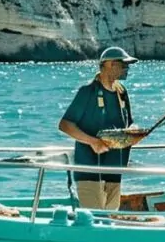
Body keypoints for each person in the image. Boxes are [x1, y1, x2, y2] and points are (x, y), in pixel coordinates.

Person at [59, 46, 138, 210]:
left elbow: (129, 124)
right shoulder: (87, 92)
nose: (127, 68)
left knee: (110, 219)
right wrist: (93, 142)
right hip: (89, 172)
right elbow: (65, 124)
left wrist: (135, 132)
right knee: (94, 219)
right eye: (123, 64)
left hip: (115, 171)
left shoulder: (122, 92)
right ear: (109, 64)